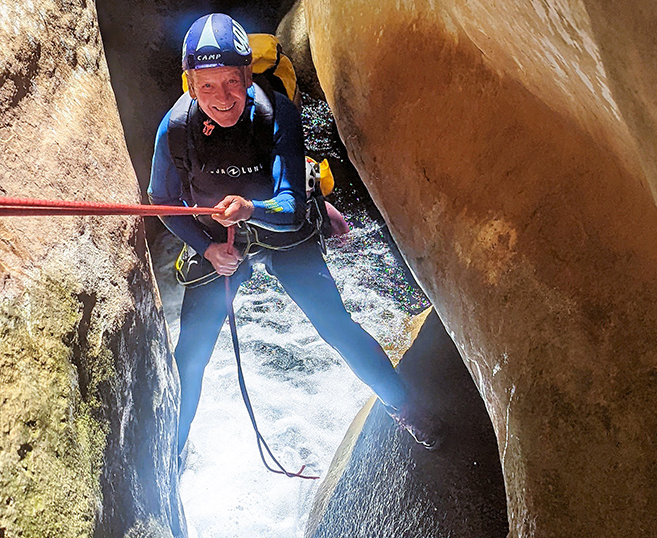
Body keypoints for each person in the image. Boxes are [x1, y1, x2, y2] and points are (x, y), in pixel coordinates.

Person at [148, 13, 441, 456]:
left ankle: (404, 407)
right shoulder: (175, 129)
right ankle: (170, 458)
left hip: (280, 231)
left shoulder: (275, 113)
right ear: (189, 82)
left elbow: (288, 208)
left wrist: (251, 209)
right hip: (218, 244)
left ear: (247, 74)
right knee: (191, 356)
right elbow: (162, 202)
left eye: (231, 81)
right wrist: (207, 248)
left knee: (336, 326)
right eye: (206, 85)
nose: (221, 97)